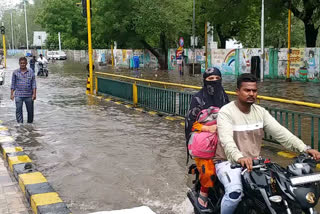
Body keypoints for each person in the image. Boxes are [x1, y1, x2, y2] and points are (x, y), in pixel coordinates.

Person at [215, 73, 320, 214]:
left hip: (255, 163)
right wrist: (239, 157)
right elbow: (227, 140)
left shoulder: (261, 112)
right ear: (237, 91)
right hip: (228, 162)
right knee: (235, 192)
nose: (251, 94)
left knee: (280, 188)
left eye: (254, 90)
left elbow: (282, 134)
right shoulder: (226, 112)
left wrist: (305, 148)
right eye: (247, 90)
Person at [185, 67, 229, 210]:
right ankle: (203, 194)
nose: (214, 82)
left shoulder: (223, 96)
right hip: (203, 140)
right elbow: (190, 123)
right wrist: (207, 128)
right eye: (210, 79)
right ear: (204, 80)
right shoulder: (198, 98)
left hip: (223, 136)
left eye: (217, 79)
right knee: (209, 170)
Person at [10, 57, 37, 123]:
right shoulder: (15, 72)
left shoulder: (31, 72)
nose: (22, 64)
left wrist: (34, 94)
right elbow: (13, 84)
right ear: (19, 63)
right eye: (21, 63)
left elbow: (34, 84)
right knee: (18, 111)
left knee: (30, 111)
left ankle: (30, 125)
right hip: (18, 95)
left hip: (29, 95)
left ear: (26, 63)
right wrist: (11, 94)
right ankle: (20, 125)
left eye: (24, 63)